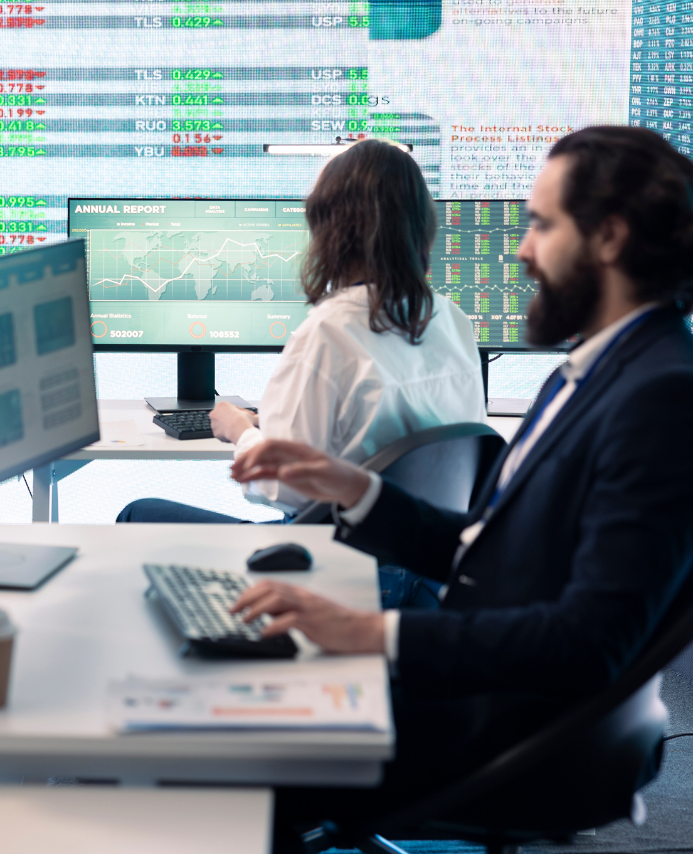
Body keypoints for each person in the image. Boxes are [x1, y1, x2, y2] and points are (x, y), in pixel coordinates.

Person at [228, 126, 693, 842]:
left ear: (608, 238)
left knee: (215, 732)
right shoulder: (605, 370)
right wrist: (356, 488)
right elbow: (490, 545)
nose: (522, 250)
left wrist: (369, 633)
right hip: (474, 687)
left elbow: (590, 641)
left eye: (541, 225)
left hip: (492, 729)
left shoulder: (658, 398)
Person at [116, 140, 486, 530]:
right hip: (425, 562)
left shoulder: (330, 331)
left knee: (137, 513)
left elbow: (284, 490)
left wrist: (239, 430)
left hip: (334, 558)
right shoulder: (453, 319)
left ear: (330, 230)